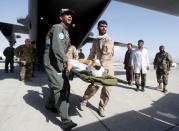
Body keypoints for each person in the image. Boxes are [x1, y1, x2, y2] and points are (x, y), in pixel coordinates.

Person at [43, 8, 77, 130]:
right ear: (60, 17)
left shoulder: (66, 31)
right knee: (60, 87)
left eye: (71, 15)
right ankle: (65, 120)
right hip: (52, 63)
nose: (69, 16)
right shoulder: (58, 27)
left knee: (65, 85)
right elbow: (57, 48)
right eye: (66, 14)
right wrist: (67, 61)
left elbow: (65, 49)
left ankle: (50, 104)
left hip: (59, 63)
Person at [79, 20, 114, 117]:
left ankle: (102, 106)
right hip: (99, 67)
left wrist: (100, 65)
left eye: (105, 26)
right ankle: (84, 100)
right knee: (94, 86)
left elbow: (107, 55)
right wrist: (88, 64)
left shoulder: (109, 39)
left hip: (108, 67)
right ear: (98, 28)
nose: (104, 28)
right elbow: (92, 53)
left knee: (107, 89)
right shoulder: (95, 40)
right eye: (102, 26)